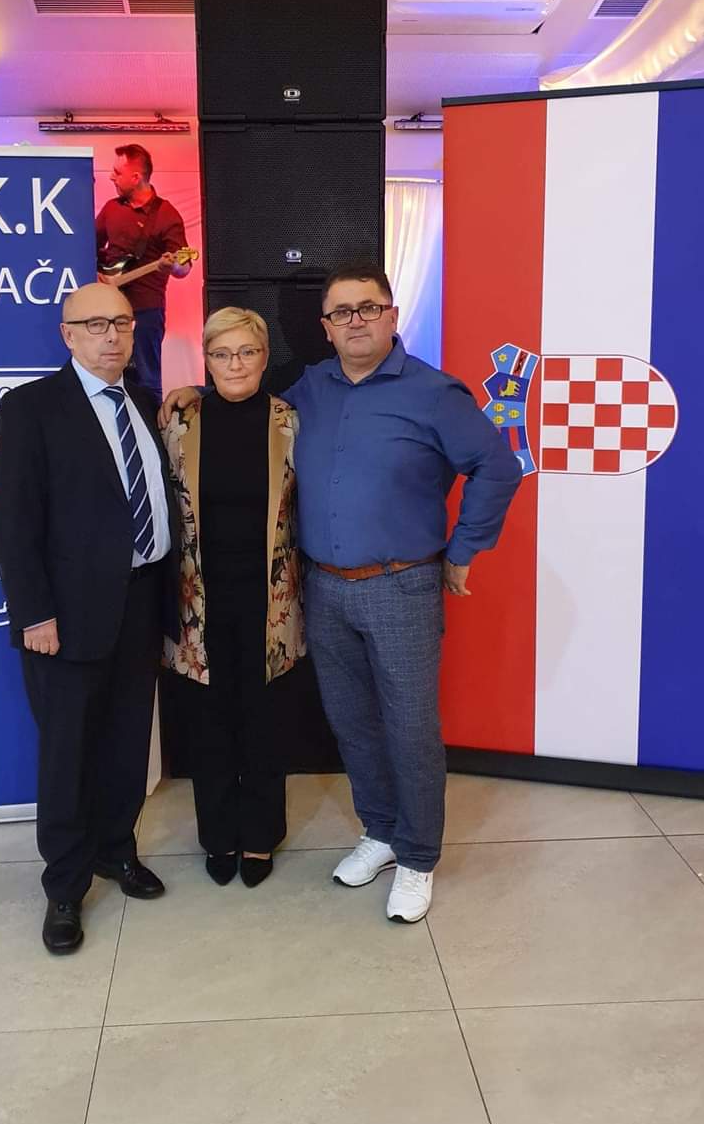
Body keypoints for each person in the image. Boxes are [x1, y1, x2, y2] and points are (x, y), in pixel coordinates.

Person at [162, 263, 521, 922]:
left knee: (410, 727)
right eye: (341, 312)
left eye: (368, 308)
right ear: (324, 327)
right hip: (322, 588)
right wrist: (192, 393)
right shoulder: (309, 391)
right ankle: (380, 831)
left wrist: (463, 551)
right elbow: (243, 416)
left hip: (401, 584)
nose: (355, 321)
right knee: (352, 723)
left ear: (392, 316)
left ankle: (417, 857)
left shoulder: (434, 392)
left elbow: (496, 467)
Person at [0, 282, 179, 954]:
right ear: (67, 335)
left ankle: (115, 851)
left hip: (141, 601)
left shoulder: (146, 402)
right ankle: (65, 888)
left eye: (122, 323)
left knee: (127, 741)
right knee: (68, 753)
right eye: (95, 325)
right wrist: (34, 613)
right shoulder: (33, 407)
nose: (111, 336)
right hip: (65, 618)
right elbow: (14, 519)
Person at [161, 307, 303, 888]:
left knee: (264, 721)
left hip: (272, 601)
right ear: (207, 360)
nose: (235, 364)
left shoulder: (290, 421)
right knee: (209, 722)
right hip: (198, 601)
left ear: (265, 357)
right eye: (221, 354)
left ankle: (261, 835)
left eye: (246, 352)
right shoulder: (180, 421)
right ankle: (218, 835)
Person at [95, 144, 192, 403]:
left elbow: (184, 267)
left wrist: (173, 265)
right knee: (107, 376)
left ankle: (149, 425)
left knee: (147, 379)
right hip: (108, 309)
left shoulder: (166, 215)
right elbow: (89, 247)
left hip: (145, 310)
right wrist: (98, 275)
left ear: (136, 177)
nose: (111, 177)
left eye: (117, 172)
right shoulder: (111, 209)